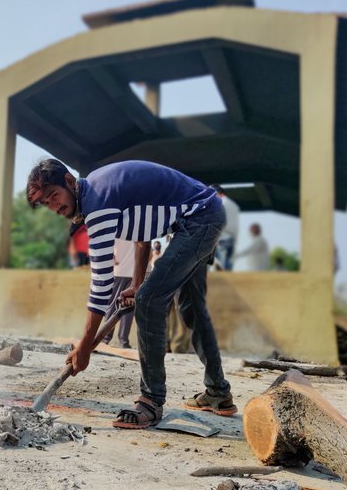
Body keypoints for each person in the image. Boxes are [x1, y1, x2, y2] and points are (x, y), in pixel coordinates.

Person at [27, 158, 236, 429]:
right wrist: (137, 283)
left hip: (198, 218)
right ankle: (218, 392)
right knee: (190, 306)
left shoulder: (97, 204)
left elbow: (101, 284)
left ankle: (150, 401)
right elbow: (143, 235)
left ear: (69, 181)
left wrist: (85, 346)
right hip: (204, 213)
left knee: (150, 300)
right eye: (46, 203)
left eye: (54, 196)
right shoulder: (99, 189)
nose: (55, 207)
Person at [101, 238, 136, 348]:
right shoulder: (140, 230)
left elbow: (106, 248)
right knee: (129, 307)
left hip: (118, 271)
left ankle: (105, 339)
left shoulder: (117, 230)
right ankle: (124, 341)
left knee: (112, 306)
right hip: (135, 274)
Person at [210, 185, 240, 271]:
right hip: (231, 237)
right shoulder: (234, 205)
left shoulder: (219, 203)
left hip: (222, 237)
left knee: (220, 265)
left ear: (218, 193)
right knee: (228, 265)